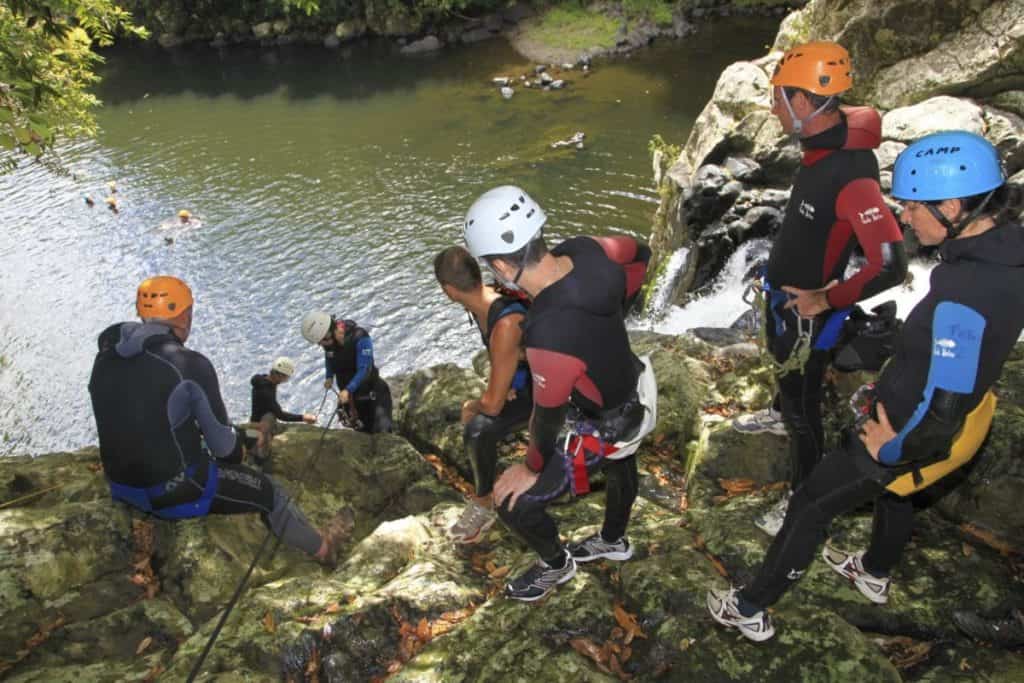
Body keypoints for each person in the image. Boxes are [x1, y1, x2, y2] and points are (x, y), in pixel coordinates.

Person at [707, 131, 1024, 641]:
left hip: (911, 430)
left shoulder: (965, 293)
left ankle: (749, 607)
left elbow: (941, 408)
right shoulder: (1004, 256)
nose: (904, 218)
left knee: (811, 504)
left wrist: (891, 448)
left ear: (952, 207)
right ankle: (874, 572)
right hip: (965, 418)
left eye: (912, 206)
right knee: (896, 495)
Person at [740, 41, 908, 536]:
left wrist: (826, 299)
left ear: (804, 102)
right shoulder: (822, 147)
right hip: (788, 301)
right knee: (787, 382)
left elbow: (890, 263)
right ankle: (779, 410)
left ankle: (802, 502)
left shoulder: (850, 171)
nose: (773, 108)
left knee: (804, 409)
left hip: (807, 313)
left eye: (777, 98)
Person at [464, 185, 657, 602]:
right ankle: (613, 540)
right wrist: (617, 307)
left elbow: (547, 418)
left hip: (609, 424)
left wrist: (530, 468)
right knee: (622, 463)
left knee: (511, 502)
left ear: (501, 264)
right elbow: (640, 254)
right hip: (635, 386)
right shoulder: (587, 250)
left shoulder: (548, 331)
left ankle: (556, 564)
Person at [88, 276, 351, 567]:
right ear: (184, 315)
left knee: (207, 432)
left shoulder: (109, 349)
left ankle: (249, 441)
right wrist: (242, 445)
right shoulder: (189, 365)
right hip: (175, 492)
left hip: (121, 486)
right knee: (271, 492)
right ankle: (324, 549)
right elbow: (227, 452)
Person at [434, 245, 532, 544]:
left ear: (449, 290)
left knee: (477, 429)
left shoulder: (504, 321)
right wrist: (507, 379)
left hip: (558, 391)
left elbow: (491, 406)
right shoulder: (486, 300)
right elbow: (509, 352)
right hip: (530, 378)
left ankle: (483, 501)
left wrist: (472, 405)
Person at [301, 311, 393, 434]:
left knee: (383, 432)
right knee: (363, 433)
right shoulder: (329, 344)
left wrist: (348, 390)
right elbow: (329, 357)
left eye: (324, 341)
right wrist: (329, 377)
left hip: (373, 395)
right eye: (320, 343)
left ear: (332, 331)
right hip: (353, 402)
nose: (323, 345)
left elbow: (365, 369)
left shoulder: (360, 337)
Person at [247, 356, 317, 467]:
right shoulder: (266, 391)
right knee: (270, 417)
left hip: (257, 418)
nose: (285, 381)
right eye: (285, 378)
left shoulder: (264, 379)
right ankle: (259, 459)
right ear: (279, 375)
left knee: (270, 416)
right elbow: (281, 415)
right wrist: (303, 417)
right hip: (259, 424)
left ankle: (261, 436)